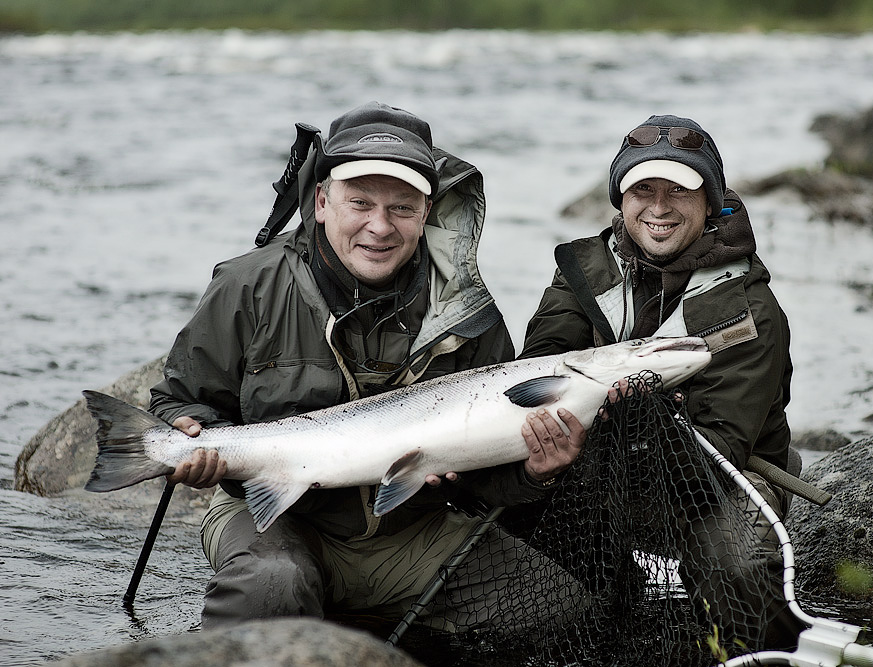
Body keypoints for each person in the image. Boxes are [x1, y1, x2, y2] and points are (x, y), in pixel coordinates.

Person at [147, 101, 584, 631]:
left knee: (555, 609)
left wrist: (535, 472)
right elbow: (179, 398)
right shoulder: (248, 285)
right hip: (279, 520)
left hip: (408, 533)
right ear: (323, 202)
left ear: (426, 214)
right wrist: (188, 433)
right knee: (273, 584)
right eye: (360, 203)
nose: (380, 227)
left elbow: (487, 484)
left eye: (402, 208)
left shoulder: (469, 316)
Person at [519, 114, 803, 650]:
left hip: (718, 480)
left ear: (712, 201)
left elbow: (721, 449)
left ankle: (746, 647)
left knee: (734, 557)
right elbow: (541, 363)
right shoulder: (583, 270)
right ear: (619, 198)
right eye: (642, 189)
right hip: (596, 466)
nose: (658, 207)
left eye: (679, 190)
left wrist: (651, 419)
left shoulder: (751, 312)